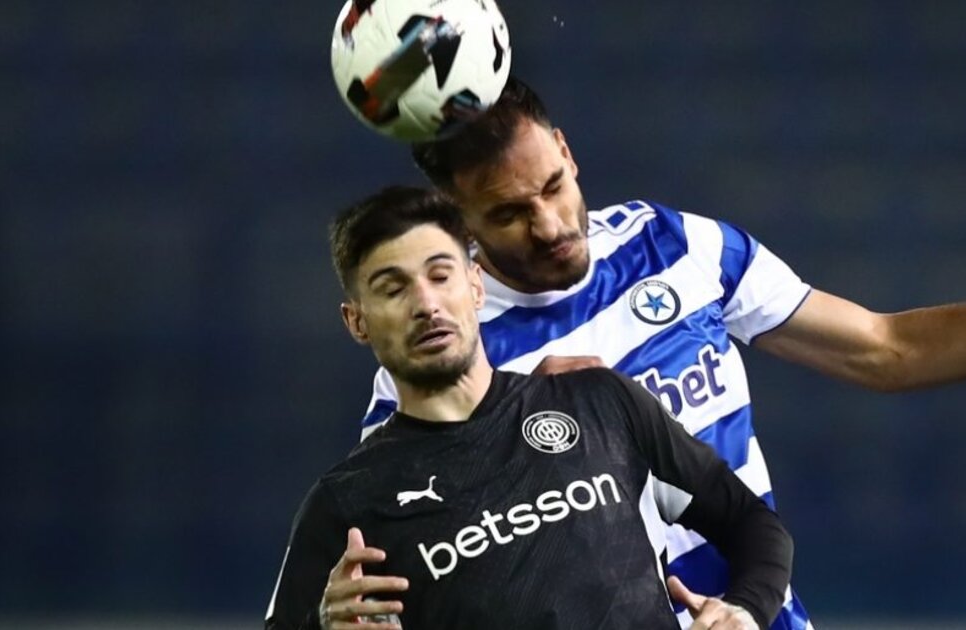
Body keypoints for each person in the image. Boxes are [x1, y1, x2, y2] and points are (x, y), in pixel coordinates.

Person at [358, 78, 966, 629]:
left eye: (554, 186)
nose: (551, 225)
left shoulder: (677, 247)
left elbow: (885, 349)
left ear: (566, 150)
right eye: (508, 214)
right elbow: (408, 570)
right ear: (456, 220)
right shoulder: (442, 358)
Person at [265, 187, 794, 630]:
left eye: (441, 275)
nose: (426, 304)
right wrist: (320, 626)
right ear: (356, 321)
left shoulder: (599, 403)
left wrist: (744, 611)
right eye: (392, 288)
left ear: (475, 286)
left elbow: (752, 524)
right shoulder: (348, 502)